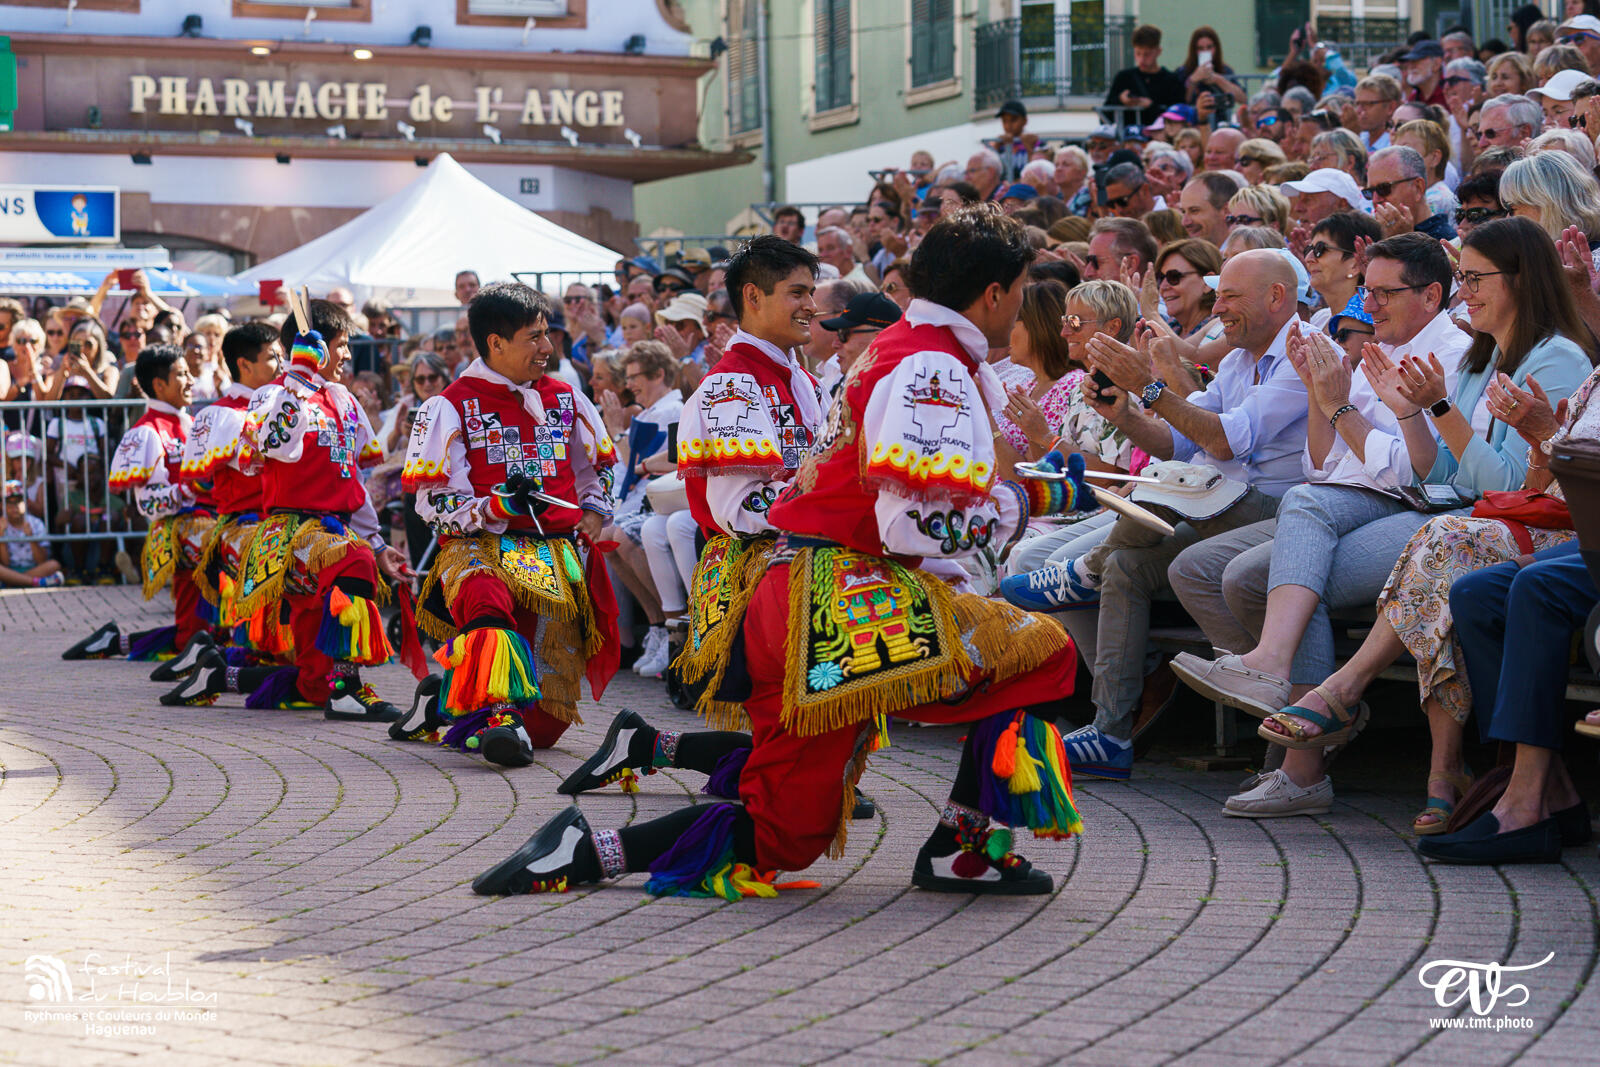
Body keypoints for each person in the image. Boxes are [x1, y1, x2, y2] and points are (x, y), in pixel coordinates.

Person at [477, 206, 1092, 901]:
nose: (809, 304)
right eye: (797, 292)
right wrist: (1024, 503)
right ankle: (966, 847)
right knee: (1040, 653)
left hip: (808, 585)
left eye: (812, 291)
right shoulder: (914, 366)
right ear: (995, 293)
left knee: (788, 810)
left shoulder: (889, 354)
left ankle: (599, 840)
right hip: (831, 594)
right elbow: (904, 523)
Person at [1207, 218, 1595, 828]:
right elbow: (1437, 470)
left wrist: (1428, 407)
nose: (1466, 289)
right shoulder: (1477, 358)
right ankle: (1391, 755)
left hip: (1530, 527)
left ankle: (1327, 721)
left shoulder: (1558, 358)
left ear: (1520, 280)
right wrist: (1410, 412)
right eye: (1461, 276)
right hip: (1455, 513)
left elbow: (1508, 486)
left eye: (1474, 277)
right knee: (1304, 551)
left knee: (1409, 551)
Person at [1165, 234, 1472, 816]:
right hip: (1354, 501)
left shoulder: (1452, 352)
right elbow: (1324, 461)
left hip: (1429, 509)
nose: (1369, 305)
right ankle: (1298, 718)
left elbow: (1417, 472)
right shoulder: (1381, 347)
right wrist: (1319, 394)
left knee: (1283, 560)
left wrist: (1337, 407)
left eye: (1385, 292)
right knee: (1239, 574)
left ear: (1432, 295)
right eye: (1366, 290)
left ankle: (1298, 750)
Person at [1033, 251, 1312, 779]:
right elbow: (1176, 442)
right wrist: (1125, 414)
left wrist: (1150, 387)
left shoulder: (1303, 354)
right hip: (1219, 503)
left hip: (1285, 513)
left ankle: (1086, 567)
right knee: (1130, 562)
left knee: (1174, 489)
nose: (1218, 306)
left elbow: (1223, 441)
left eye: (1229, 295)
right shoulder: (1237, 360)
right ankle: (1110, 733)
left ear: (1277, 297)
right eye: (1218, 294)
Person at [391, 283, 618, 765]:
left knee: (548, 725)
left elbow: (595, 468)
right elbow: (432, 501)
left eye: (547, 335)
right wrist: (491, 509)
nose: (547, 348)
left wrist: (597, 510)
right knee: (487, 602)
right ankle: (499, 719)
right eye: (534, 337)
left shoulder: (568, 398)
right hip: (481, 546)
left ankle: (443, 701)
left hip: (554, 556)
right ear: (496, 343)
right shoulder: (449, 405)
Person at [227, 301, 415, 720]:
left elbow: (353, 481)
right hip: (290, 535)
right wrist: (298, 377)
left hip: (336, 531)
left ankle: (223, 676)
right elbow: (274, 445)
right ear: (313, 347)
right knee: (355, 563)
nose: (347, 355)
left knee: (313, 679)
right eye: (341, 345)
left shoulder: (344, 400)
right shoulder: (272, 394)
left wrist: (380, 543)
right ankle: (347, 689)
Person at [158, 322, 294, 706]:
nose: (281, 363)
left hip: (279, 525)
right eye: (272, 356)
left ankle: (228, 661)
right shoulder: (221, 415)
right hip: (243, 525)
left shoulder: (287, 403)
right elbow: (200, 480)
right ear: (244, 365)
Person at [63, 345, 216, 665]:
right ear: (158, 385)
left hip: (202, 528)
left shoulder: (191, 424)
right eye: (181, 374)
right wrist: (192, 489)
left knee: (199, 627)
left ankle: (117, 642)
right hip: (180, 532)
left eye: (189, 373)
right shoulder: (145, 433)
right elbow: (149, 502)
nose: (190, 380)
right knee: (197, 628)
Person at [597, 341, 682, 668]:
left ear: (659, 374)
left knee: (619, 538)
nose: (629, 384)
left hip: (663, 502)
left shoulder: (672, 409)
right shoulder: (650, 411)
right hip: (639, 500)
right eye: (628, 377)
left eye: (636, 377)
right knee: (607, 539)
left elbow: (641, 462)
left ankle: (668, 625)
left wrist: (618, 430)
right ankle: (657, 625)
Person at [993, 280, 1077, 473]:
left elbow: (1026, 478)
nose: (1006, 331)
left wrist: (987, 418)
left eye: (1012, 321)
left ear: (1037, 326)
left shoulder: (1072, 386)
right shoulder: (1030, 385)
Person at [1300, 212, 1383, 332]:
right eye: (1309, 249)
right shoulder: (1320, 319)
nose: (1308, 258)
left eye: (1320, 249)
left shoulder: (1371, 327)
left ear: (1354, 265)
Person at [815, 290, 902, 400]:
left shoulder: (905, 390)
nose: (835, 344)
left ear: (879, 338)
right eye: (837, 333)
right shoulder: (841, 387)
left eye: (844, 334)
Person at [1367, 146, 1456, 240]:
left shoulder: (1449, 243)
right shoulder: (1374, 236)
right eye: (1369, 192)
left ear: (1418, 188)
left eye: (1384, 188)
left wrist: (1403, 241)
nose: (1375, 199)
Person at [1104, 24, 1186, 127]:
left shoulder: (1172, 80)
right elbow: (1104, 116)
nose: (1142, 59)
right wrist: (1121, 100)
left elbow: (1178, 116)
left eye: (1147, 54)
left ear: (1158, 51)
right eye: (1138, 53)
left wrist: (1150, 106)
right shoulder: (1123, 77)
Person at [1, 478, 63, 588]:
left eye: (18, 501)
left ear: (26, 503)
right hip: (10, 570)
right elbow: (5, 563)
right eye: (9, 503)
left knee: (54, 565)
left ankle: (13, 582)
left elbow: (41, 560)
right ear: (2, 506)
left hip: (34, 569)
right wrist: (1, 535)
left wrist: (31, 537)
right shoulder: (1, 524)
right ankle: (35, 582)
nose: (14, 507)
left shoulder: (36, 523)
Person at [1177, 172, 1243, 246]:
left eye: (1194, 211)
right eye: (1183, 211)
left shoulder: (1249, 255)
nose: (1185, 222)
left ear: (1226, 211)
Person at [1354, 74, 1403, 150]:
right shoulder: (1360, 139)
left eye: (1367, 104)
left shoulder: (1397, 146)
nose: (1359, 110)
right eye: (1357, 104)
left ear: (1391, 107)